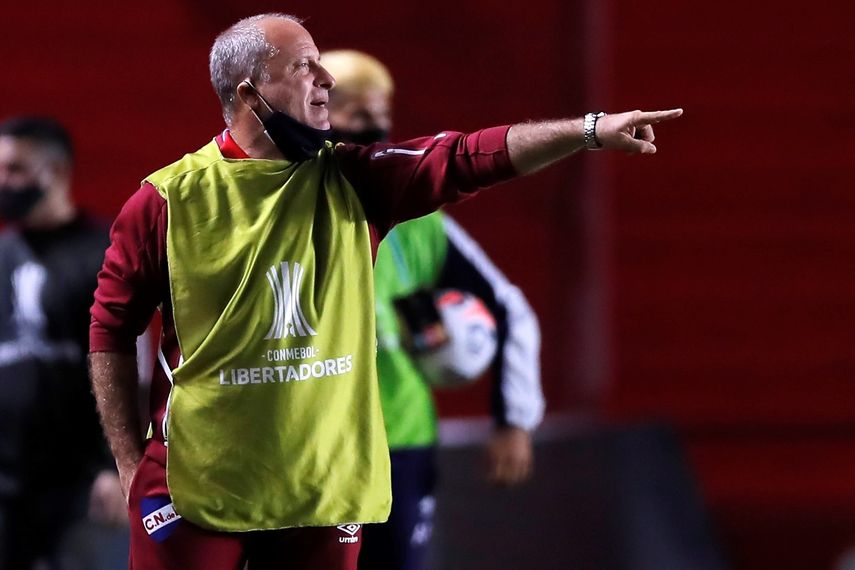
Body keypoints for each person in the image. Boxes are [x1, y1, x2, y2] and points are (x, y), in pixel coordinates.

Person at [87, 12, 682, 570]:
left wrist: (589, 131)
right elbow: (110, 331)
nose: (326, 80)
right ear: (250, 93)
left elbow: (467, 156)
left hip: (324, 489)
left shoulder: (357, 178)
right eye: (303, 67)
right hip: (197, 486)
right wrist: (127, 461)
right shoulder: (165, 202)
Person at [322, 49, 544, 570]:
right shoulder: (274, 208)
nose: (374, 126)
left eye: (381, 113)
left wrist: (514, 419)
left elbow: (507, 307)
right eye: (357, 112)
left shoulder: (419, 217)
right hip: (306, 445)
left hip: (398, 439)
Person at [0, 116, 124, 569]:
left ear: (55, 171)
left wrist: (116, 464)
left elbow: (130, 365)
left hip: (80, 485)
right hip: (8, 483)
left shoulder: (103, 251)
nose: (4, 182)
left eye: (15, 169)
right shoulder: (3, 254)